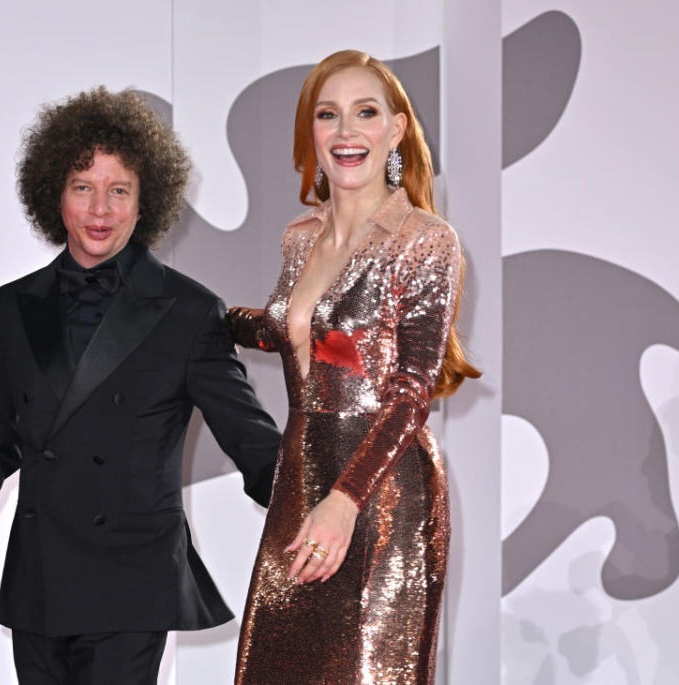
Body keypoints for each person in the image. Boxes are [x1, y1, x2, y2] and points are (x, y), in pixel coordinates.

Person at [0, 87, 281, 685]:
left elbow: (253, 441)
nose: (100, 209)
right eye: (83, 187)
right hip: (41, 578)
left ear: (145, 203)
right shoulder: (12, 306)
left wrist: (323, 513)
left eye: (119, 190)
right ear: (54, 195)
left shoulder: (189, 311)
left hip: (133, 579)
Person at [228, 50, 480, 682]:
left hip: (384, 489)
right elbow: (293, 335)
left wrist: (344, 502)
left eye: (364, 113)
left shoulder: (425, 240)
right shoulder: (298, 238)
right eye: (328, 115)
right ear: (310, 133)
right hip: (301, 472)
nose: (345, 132)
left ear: (395, 130)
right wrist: (205, 316)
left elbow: (412, 390)